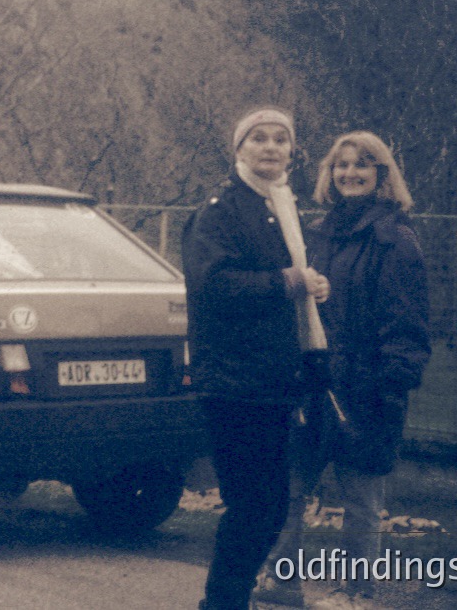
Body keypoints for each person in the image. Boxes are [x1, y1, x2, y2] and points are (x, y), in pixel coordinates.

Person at [255, 132, 431, 609]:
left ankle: (358, 594)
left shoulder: (395, 240)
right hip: (312, 384)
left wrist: (387, 388)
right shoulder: (316, 233)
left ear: (381, 175)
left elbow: (408, 328)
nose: (350, 173)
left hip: (367, 389)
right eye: (341, 165)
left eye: (362, 165)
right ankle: (283, 585)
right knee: (289, 488)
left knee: (360, 504)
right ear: (329, 174)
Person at [183, 106, 330, 610]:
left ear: (292, 150)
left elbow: (282, 278)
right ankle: (222, 603)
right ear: (239, 149)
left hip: (271, 379)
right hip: (233, 381)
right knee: (255, 508)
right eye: (258, 138)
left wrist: (311, 287)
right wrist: (290, 282)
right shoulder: (221, 210)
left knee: (264, 509)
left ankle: (227, 601)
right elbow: (212, 286)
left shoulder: (280, 206)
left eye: (280, 139)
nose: (271, 147)